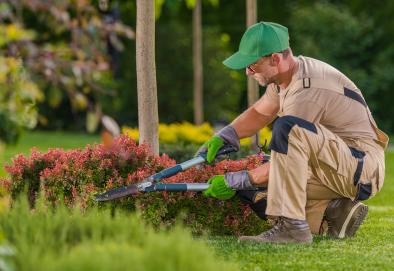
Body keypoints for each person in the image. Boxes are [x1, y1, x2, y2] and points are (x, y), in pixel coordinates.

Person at [195, 22, 389, 243]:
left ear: (275, 59)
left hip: (360, 167)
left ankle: (293, 229)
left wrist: (236, 179)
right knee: (255, 192)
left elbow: (283, 162)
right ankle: (335, 212)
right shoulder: (284, 77)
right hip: (334, 166)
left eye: (252, 65)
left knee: (285, 132)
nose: (248, 72)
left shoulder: (307, 90)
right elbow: (260, 113)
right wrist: (226, 135)